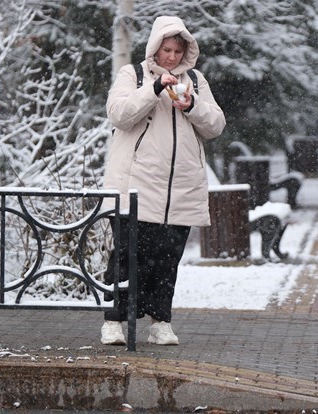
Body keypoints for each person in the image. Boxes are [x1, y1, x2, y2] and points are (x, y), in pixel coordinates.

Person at [100, 16, 226, 346]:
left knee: (168, 260)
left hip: (181, 188)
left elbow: (215, 125)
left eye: (177, 51)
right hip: (136, 187)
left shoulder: (196, 81)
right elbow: (119, 114)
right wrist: (154, 89)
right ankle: (114, 321)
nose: (170, 57)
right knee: (128, 258)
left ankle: (161, 321)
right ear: (155, 48)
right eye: (165, 50)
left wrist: (191, 105)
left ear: (186, 52)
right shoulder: (133, 75)